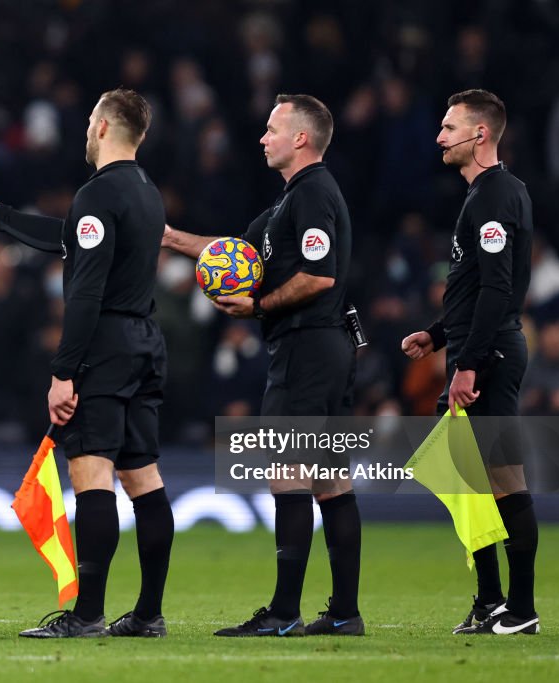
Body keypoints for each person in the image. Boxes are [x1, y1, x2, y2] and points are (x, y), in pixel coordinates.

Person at [0, 88, 174, 639]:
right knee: (144, 477)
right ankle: (148, 614)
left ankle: (89, 616)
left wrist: (64, 370)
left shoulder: (98, 193)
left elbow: (84, 290)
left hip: (104, 347)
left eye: (88, 121)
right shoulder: (147, 192)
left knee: (91, 473)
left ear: (101, 126)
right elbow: (71, 242)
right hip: (145, 342)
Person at [163, 94, 362, 637]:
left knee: (287, 476)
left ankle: (283, 613)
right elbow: (227, 249)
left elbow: (318, 276)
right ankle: (345, 613)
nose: (262, 137)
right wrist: (164, 234)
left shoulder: (314, 193)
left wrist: (259, 306)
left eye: (272, 129)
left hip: (308, 348)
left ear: (301, 138)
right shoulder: (287, 203)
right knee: (330, 483)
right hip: (325, 348)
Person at [401, 89, 539, 635]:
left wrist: (470, 364)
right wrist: (438, 337)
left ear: (480, 134)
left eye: (449, 126)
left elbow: (498, 288)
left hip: (491, 355)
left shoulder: (496, 195)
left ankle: (521, 609)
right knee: (466, 482)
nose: (439, 137)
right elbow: (478, 286)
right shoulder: (485, 194)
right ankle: (488, 602)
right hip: (476, 349)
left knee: (503, 481)